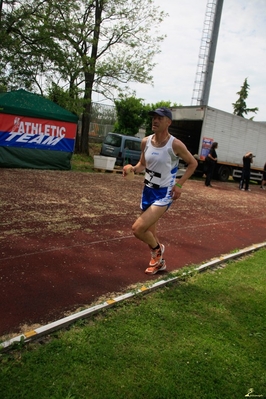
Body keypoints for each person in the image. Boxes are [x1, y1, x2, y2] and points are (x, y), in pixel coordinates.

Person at [123, 107, 197, 275]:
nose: (155, 121)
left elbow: (193, 163)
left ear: (168, 122)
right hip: (147, 191)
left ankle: (158, 254)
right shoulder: (145, 142)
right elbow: (142, 164)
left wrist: (179, 185)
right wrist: (133, 169)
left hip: (164, 194)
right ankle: (159, 259)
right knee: (150, 233)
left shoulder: (175, 144)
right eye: (154, 118)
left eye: (160, 118)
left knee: (138, 229)